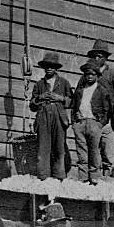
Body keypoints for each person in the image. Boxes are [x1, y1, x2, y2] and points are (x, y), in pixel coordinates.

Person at [77, 39, 114, 177]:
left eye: (100, 56)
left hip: (107, 120)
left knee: (108, 150)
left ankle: (108, 177)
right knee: (92, 150)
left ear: (106, 57)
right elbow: (78, 96)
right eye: (94, 56)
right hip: (90, 119)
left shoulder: (113, 74)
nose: (97, 58)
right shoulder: (86, 75)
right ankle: (93, 178)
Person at [29, 52, 73, 181]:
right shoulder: (39, 84)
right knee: (43, 148)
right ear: (44, 67)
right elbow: (32, 106)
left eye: (52, 66)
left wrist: (60, 98)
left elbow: (73, 102)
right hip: (43, 117)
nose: (49, 68)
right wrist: (39, 98)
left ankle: (59, 177)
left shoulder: (64, 83)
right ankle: (43, 177)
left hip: (59, 117)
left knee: (59, 147)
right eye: (47, 66)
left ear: (56, 68)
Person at [71, 60, 111, 185]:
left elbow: (107, 110)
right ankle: (83, 178)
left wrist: (100, 124)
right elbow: (74, 107)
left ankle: (94, 178)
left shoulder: (102, 91)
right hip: (81, 123)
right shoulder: (80, 91)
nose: (89, 77)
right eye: (87, 74)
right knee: (82, 152)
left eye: (92, 74)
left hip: (94, 124)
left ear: (97, 76)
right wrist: (75, 123)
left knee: (94, 151)